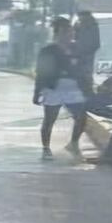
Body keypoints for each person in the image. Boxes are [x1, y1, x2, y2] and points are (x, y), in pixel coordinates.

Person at [33, 16, 87, 161]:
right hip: (53, 89)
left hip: (73, 89)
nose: (70, 35)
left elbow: (82, 69)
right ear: (58, 33)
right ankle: (46, 148)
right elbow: (41, 71)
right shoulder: (48, 50)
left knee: (81, 117)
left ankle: (74, 144)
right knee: (50, 119)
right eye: (67, 32)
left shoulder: (76, 49)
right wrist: (37, 91)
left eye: (71, 32)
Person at [73, 10, 100, 93]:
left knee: (87, 72)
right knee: (78, 72)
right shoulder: (77, 25)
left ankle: (88, 89)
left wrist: (90, 51)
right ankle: (80, 89)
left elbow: (96, 42)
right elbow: (74, 38)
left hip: (88, 53)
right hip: (78, 53)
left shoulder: (93, 26)